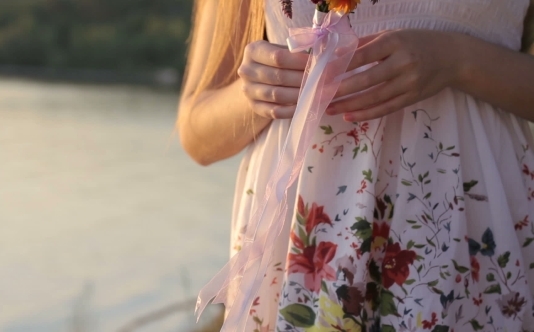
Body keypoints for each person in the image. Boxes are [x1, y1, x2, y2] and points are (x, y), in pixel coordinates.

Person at [177, 0, 534, 330]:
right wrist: (255, 92)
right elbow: (197, 133)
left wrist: (457, 60)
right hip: (302, 249)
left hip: (470, 224)